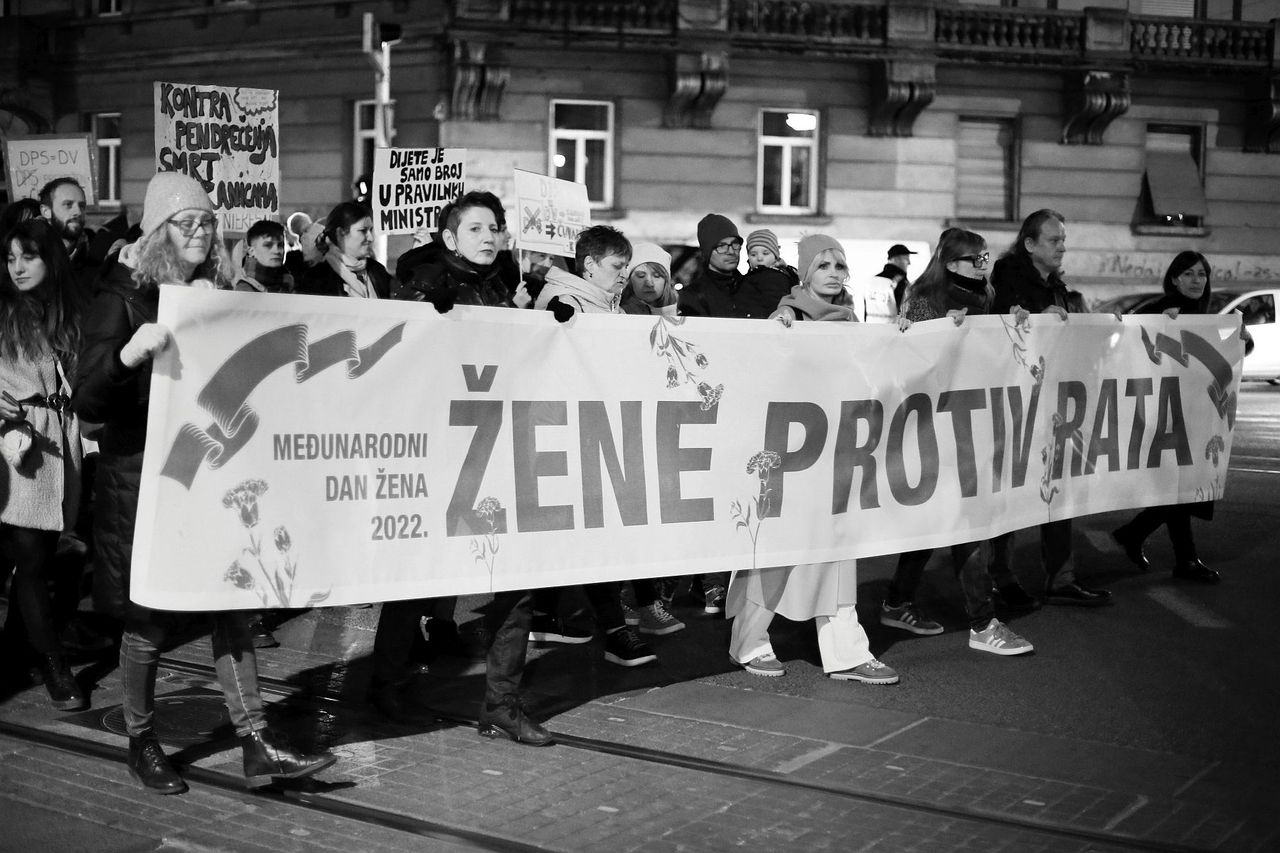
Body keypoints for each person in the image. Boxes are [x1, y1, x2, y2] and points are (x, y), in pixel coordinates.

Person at [72, 172, 335, 795]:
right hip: (145, 478)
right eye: (184, 222)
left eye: (206, 222)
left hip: (212, 473)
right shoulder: (120, 297)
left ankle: (256, 741)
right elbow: (88, 398)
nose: (198, 231)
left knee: (230, 604)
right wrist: (127, 356)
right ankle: (142, 740)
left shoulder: (213, 293)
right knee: (150, 617)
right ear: (157, 229)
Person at [378, 191, 550, 745]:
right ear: (450, 238)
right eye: (476, 228)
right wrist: (425, 311)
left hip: (499, 449)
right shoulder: (423, 284)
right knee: (417, 578)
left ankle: (502, 702)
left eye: (494, 227)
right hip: (442, 454)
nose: (489, 236)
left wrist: (543, 326)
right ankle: (386, 686)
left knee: (514, 582)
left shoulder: (505, 285)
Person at [729, 234, 899, 684]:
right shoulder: (787, 317)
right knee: (777, 553)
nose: (833, 273)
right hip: (791, 458)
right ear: (804, 273)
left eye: (839, 266)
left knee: (838, 551)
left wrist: (903, 340)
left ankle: (846, 650)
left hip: (838, 454)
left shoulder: (852, 322)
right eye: (823, 265)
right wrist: (780, 329)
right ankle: (748, 640)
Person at [880, 228, 1036, 656]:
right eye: (975, 259)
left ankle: (899, 603)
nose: (984, 265)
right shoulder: (925, 299)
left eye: (986, 257)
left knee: (949, 522)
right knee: (961, 521)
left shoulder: (987, 296)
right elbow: (913, 362)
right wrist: (937, 333)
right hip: (936, 426)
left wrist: (1015, 322)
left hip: (972, 424)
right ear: (951, 263)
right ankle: (982, 622)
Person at [531, 225, 662, 666]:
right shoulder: (564, 303)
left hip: (595, 429)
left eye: (626, 266)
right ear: (589, 265)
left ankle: (543, 614)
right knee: (596, 536)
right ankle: (615, 631)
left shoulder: (607, 304)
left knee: (575, 534)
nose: (624, 274)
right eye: (617, 265)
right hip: (574, 433)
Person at [989, 209, 1111, 607]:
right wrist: (1037, 321)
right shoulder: (1006, 281)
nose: (1062, 247)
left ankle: (1061, 577)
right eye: (1054, 240)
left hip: (1054, 402)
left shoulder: (1056, 286)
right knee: (1010, 490)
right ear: (1030, 244)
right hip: (1017, 404)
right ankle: (1000, 577)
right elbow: (997, 330)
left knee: (1059, 487)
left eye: (1063, 240)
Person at [1111, 251, 1249, 585]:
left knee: (1180, 489)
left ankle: (1147, 540)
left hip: (1192, 415)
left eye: (1201, 273)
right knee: (1180, 488)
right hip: (1164, 415)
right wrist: (1160, 320)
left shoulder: (1204, 314)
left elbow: (1227, 352)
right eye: (1188, 274)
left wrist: (1242, 336)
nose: (1196, 280)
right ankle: (1174, 553)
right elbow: (1127, 333)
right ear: (1174, 279)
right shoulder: (1163, 307)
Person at [0, 219, 87, 708]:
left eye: (27, 256)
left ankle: (15, 649)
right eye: (11, 258)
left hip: (62, 441)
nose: (17, 267)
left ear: (50, 259)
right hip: (18, 447)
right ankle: (56, 665)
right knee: (30, 557)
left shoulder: (69, 312)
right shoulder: (4, 311)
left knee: (40, 556)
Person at [296, 201, 390, 299]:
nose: (370, 238)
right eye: (363, 231)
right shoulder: (316, 279)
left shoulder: (378, 271)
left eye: (371, 230)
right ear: (341, 232)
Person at [38, 178, 95, 290]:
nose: (78, 212)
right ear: (46, 211)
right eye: (68, 205)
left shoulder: (95, 251)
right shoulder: (29, 252)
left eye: (82, 206)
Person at [234, 219, 294, 295]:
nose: (277, 251)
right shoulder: (242, 289)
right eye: (268, 245)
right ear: (251, 251)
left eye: (280, 245)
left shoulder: (289, 283)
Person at [619, 241, 678, 318]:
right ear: (629, 281)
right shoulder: (618, 315)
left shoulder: (683, 316)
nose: (649, 283)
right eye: (641, 276)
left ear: (666, 281)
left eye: (657, 276)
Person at [882, 243, 916, 309]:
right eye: (906, 259)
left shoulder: (874, 280)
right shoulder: (900, 282)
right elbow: (905, 310)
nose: (909, 263)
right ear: (896, 259)